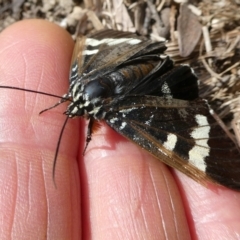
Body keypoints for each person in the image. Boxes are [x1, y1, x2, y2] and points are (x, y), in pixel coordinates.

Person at [0, 19, 239, 239]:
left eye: (78, 107)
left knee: (165, 143)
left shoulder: (113, 113)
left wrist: (88, 140)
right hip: (129, 60)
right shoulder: (81, 77)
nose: (73, 111)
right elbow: (91, 42)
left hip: (143, 74)